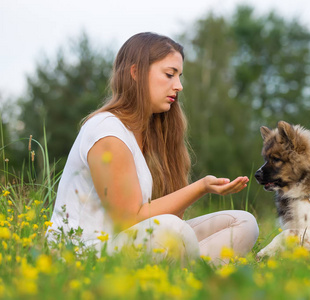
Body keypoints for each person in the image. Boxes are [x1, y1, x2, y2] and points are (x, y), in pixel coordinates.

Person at [46, 32, 259, 264]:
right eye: (169, 74)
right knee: (172, 231)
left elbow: (163, 218)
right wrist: (201, 187)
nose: (178, 86)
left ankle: (187, 274)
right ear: (136, 72)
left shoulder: (150, 133)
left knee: (243, 223)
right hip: (83, 253)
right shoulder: (107, 131)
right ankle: (195, 278)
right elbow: (129, 220)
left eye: (179, 76)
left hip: (133, 243)